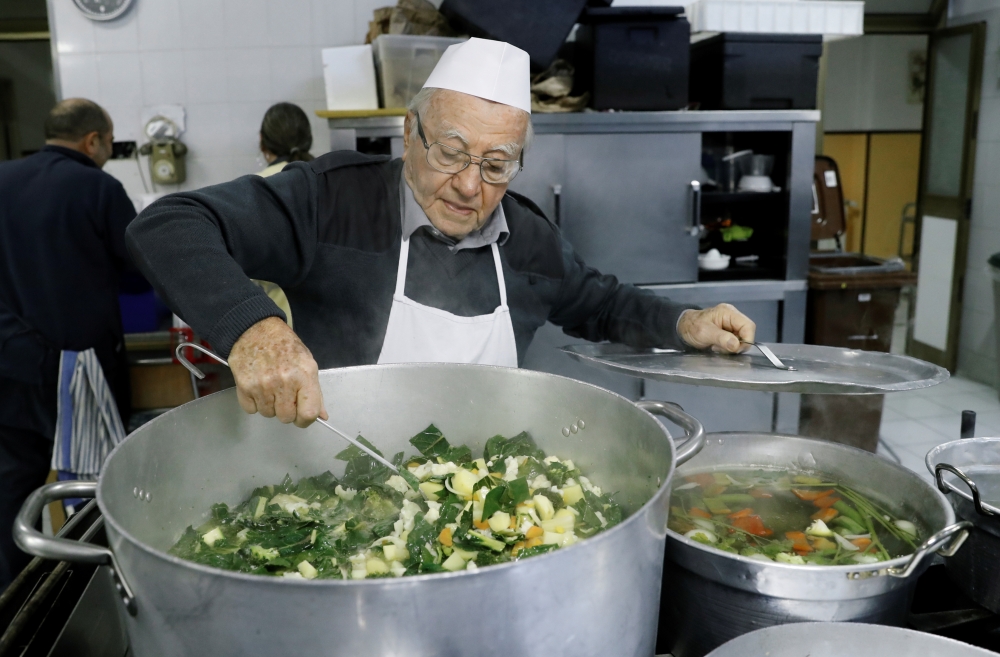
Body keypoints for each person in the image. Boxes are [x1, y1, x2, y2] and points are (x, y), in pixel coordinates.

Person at [126, 38, 755, 431]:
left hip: (485, 501)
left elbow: (604, 301)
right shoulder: (332, 200)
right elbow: (168, 225)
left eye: (496, 164)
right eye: (452, 152)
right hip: (333, 489)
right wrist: (252, 328)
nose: (469, 185)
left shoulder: (530, 241)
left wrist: (685, 322)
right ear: (408, 134)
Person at [0, 98, 137, 590]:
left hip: (9, 363)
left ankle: (14, 598)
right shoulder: (97, 187)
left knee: (14, 486)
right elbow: (138, 267)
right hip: (79, 369)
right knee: (92, 483)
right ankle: (89, 590)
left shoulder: (3, 178)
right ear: (93, 140)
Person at [252, 102, 315, 326]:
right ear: (309, 139)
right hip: (344, 326)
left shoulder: (256, 188)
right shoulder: (331, 177)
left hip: (283, 325)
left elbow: (249, 267)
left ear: (262, 141)